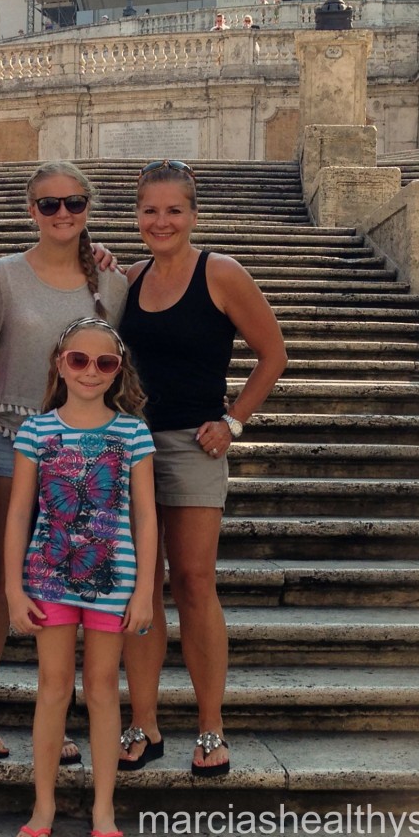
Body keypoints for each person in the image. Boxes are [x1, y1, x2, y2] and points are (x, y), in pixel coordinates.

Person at [117, 160, 287, 777]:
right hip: (130, 446)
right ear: (137, 217)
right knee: (141, 587)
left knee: (193, 581)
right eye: (149, 211)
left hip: (193, 444)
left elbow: (274, 354)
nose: (161, 221)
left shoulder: (221, 273)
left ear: (193, 215)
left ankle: (211, 727)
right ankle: (145, 722)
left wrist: (234, 419)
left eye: (173, 210)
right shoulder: (130, 279)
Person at [0, 162, 128, 762]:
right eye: (49, 204)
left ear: (89, 208)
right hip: (9, 439)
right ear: (30, 211)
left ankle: (52, 722)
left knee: (59, 581)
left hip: (80, 458)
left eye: (75, 203)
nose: (63, 214)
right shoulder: (1, 275)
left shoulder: (112, 285)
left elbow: (114, 365)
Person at [6, 317, 157, 837]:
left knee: (100, 690)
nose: (91, 371)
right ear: (59, 363)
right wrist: (13, 589)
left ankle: (102, 809)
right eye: (79, 360)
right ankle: (42, 804)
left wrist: (143, 590)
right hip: (48, 577)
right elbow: (20, 512)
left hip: (112, 579)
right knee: (52, 688)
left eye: (105, 363)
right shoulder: (37, 431)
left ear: (118, 372)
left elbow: (145, 516)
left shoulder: (133, 433)